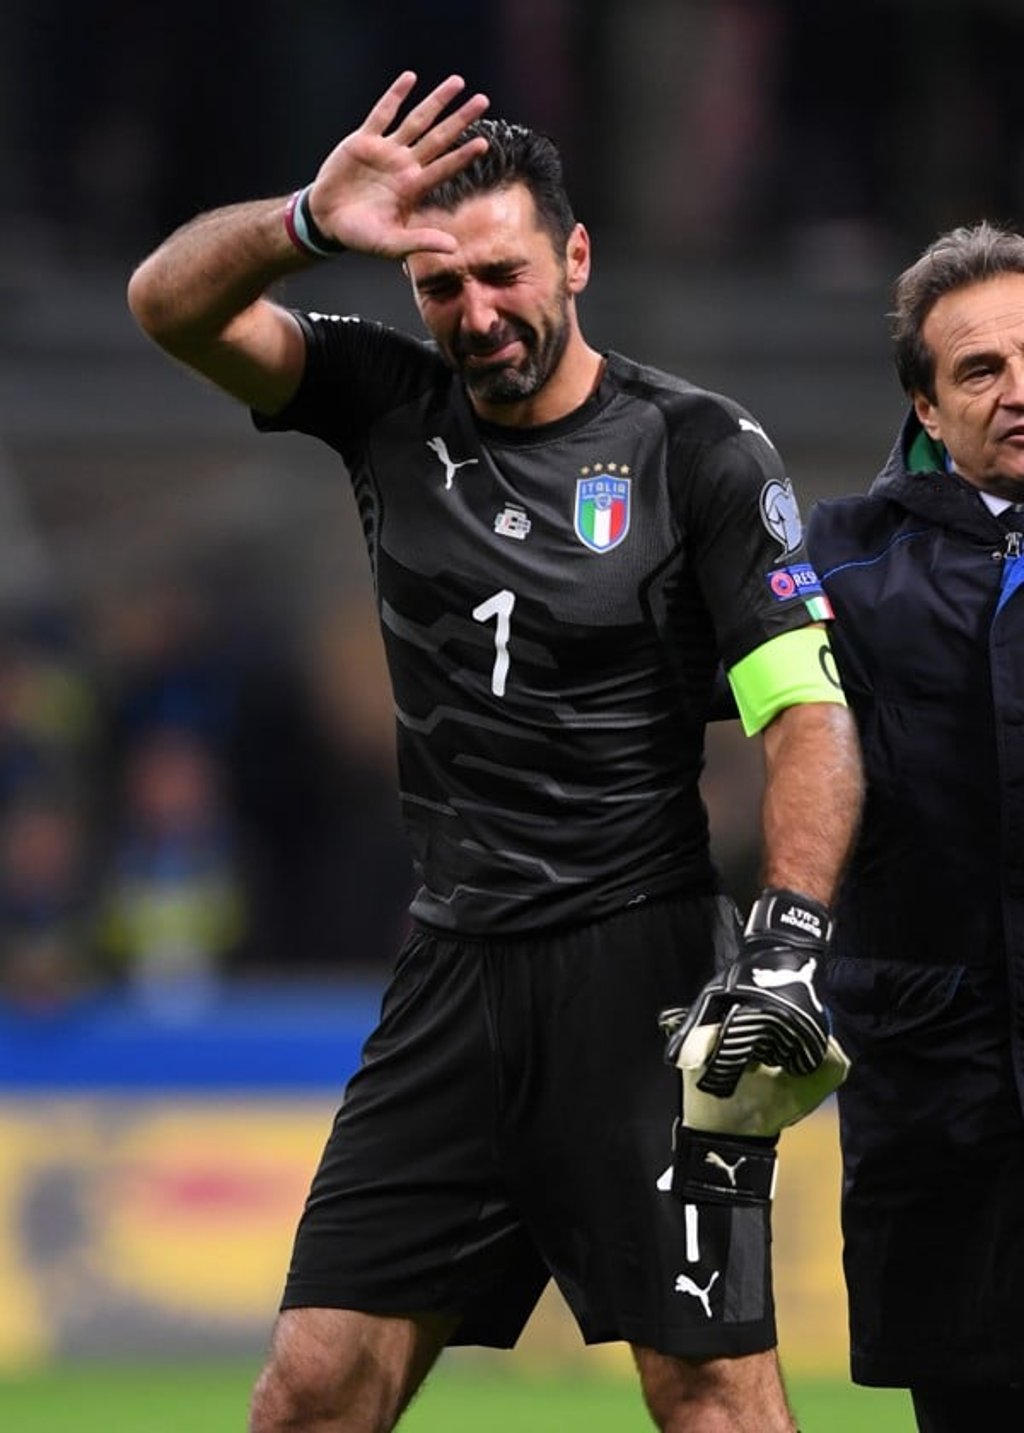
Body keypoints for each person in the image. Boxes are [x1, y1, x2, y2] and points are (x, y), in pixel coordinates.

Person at [127, 71, 863, 1433]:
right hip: (452, 973)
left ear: (575, 259)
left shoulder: (695, 449)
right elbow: (168, 306)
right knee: (310, 1388)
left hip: (642, 973)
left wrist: (788, 940)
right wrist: (303, 222)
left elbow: (806, 714)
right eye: (441, 285)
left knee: (710, 1392)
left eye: (504, 274)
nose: (476, 313)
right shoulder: (383, 401)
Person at [806, 220, 1024, 1433]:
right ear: (926, 409)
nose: (1017, 389)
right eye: (979, 369)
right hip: (939, 1101)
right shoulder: (836, 561)